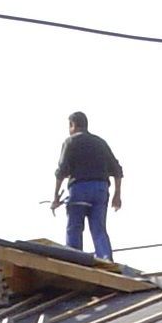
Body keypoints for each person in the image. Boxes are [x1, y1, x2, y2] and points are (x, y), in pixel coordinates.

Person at [52, 111, 123, 261]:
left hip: (80, 189)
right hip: (100, 189)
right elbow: (117, 170)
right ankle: (106, 259)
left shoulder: (70, 142)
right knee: (99, 229)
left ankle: (74, 260)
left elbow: (61, 171)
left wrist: (55, 197)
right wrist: (117, 195)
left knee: (75, 228)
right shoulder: (100, 143)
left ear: (73, 125)